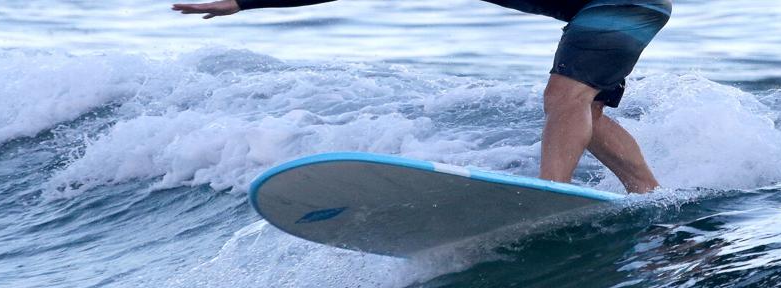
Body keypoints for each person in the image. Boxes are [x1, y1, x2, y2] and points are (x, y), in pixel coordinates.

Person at [170, 1, 670, 193]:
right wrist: (246, 1)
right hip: (603, 8)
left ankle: (550, 194)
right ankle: (644, 188)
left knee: (563, 98)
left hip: (621, 0)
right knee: (584, 107)